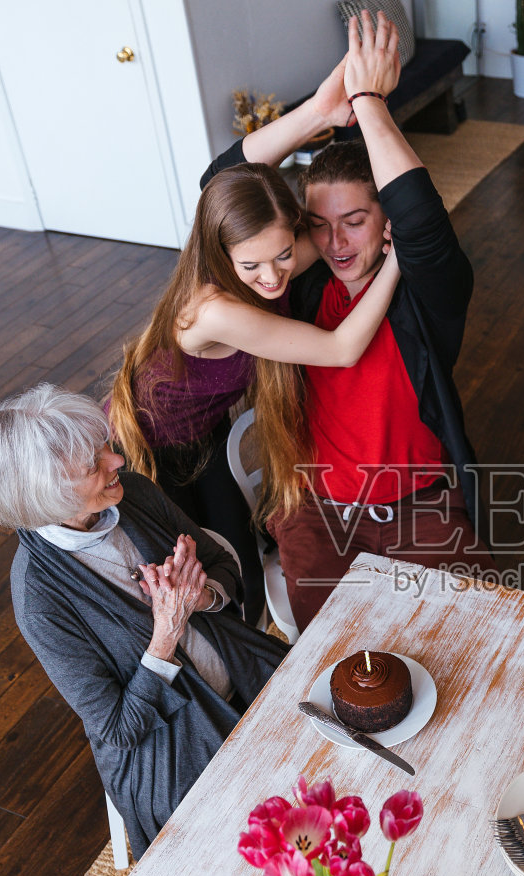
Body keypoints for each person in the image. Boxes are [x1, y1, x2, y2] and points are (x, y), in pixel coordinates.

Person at [201, 12, 494, 628]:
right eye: (318, 224)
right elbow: (219, 190)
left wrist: (370, 103)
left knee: (468, 641)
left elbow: (420, 215)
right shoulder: (293, 288)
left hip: (423, 508)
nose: (334, 243)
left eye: (355, 221)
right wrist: (319, 113)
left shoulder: (428, 291)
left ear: (385, 219)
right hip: (319, 514)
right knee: (329, 658)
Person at [108, 66, 403, 626]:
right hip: (148, 454)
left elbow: (223, 178)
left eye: (284, 255)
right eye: (252, 266)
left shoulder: (275, 257)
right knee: (201, 579)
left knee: (236, 568)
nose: (273, 279)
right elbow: (341, 348)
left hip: (206, 434)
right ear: (222, 253)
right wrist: (396, 261)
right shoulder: (216, 309)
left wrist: (323, 110)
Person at [0, 383, 288, 858]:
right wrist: (165, 636)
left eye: (104, 445)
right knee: (273, 845)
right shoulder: (40, 596)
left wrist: (199, 598)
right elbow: (119, 729)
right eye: (92, 465)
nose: (115, 461)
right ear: (47, 499)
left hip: (245, 673)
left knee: (347, 745)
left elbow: (223, 564)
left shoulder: (132, 493)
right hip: (172, 750)